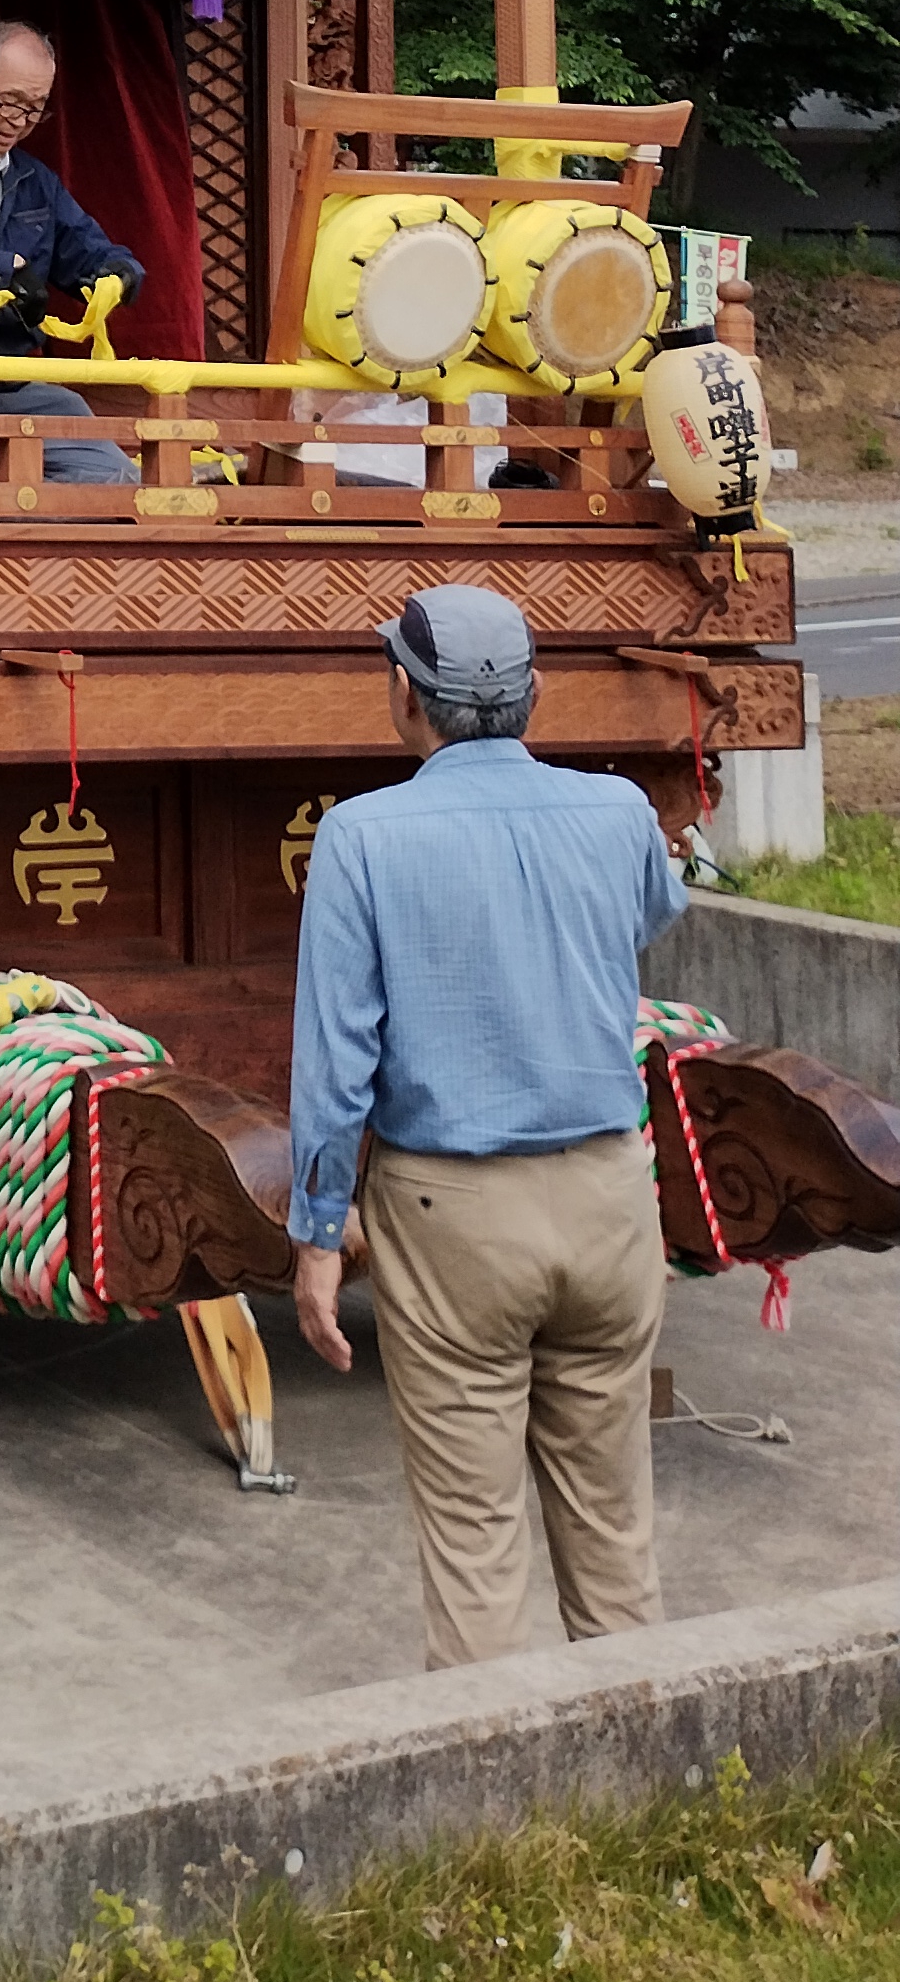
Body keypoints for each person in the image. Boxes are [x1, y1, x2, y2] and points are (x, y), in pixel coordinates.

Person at [288, 584, 689, 1669]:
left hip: (452, 1213)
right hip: (611, 1196)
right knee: (614, 1534)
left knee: (476, 1549)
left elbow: (337, 1066)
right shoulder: (615, 814)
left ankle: (507, 1829)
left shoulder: (361, 838)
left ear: (404, 702)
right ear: (535, 699)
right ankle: (645, 1797)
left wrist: (318, 1236)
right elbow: (656, 909)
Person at [0, 19, 143, 485]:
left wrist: (116, 273)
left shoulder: (34, 180)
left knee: (116, 480)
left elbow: (87, 248)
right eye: (8, 102)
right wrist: (2, 270)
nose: (18, 122)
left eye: (34, 109)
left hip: (19, 382)